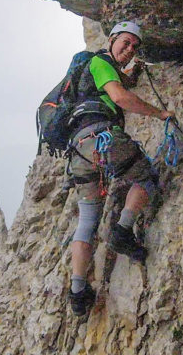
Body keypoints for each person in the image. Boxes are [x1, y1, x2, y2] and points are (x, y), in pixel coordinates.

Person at [66, 21, 174, 317]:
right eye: (125, 43)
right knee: (146, 177)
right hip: (103, 137)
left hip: (78, 150)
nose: (129, 50)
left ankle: (77, 292)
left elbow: (116, 84)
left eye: (134, 47)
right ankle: (123, 231)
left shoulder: (92, 75)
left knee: (87, 219)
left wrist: (130, 72)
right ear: (111, 39)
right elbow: (120, 97)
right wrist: (160, 113)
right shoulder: (100, 62)